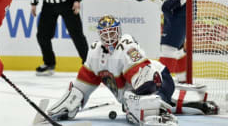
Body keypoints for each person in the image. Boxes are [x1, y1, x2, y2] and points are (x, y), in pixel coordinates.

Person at [47, 15, 218, 125]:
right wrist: (70, 103)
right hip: (141, 90)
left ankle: (159, 111)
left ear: (119, 32)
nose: (109, 38)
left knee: (140, 104)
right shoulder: (94, 53)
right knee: (140, 105)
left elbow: (144, 80)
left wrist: (141, 101)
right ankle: (199, 105)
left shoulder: (126, 46)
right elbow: (81, 88)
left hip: (158, 79)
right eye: (105, 34)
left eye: (112, 33)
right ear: (99, 35)